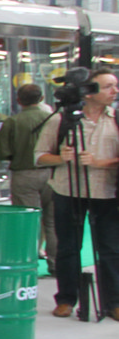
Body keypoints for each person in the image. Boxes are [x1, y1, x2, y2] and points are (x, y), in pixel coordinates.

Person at [34, 68, 119, 319]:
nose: (114, 91)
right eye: (108, 86)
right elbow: (38, 156)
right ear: (88, 92)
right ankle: (66, 299)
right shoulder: (61, 120)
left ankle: (113, 301)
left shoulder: (116, 119)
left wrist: (99, 163)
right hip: (67, 190)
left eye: (115, 86)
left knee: (110, 249)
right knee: (68, 248)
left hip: (107, 192)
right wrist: (61, 158)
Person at [0, 82, 58, 269]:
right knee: (53, 221)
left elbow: (1, 152)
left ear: (18, 100)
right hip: (52, 173)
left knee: (27, 221)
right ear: (42, 98)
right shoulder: (53, 119)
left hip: (24, 174)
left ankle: (28, 262)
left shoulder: (13, 122)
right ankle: (56, 263)